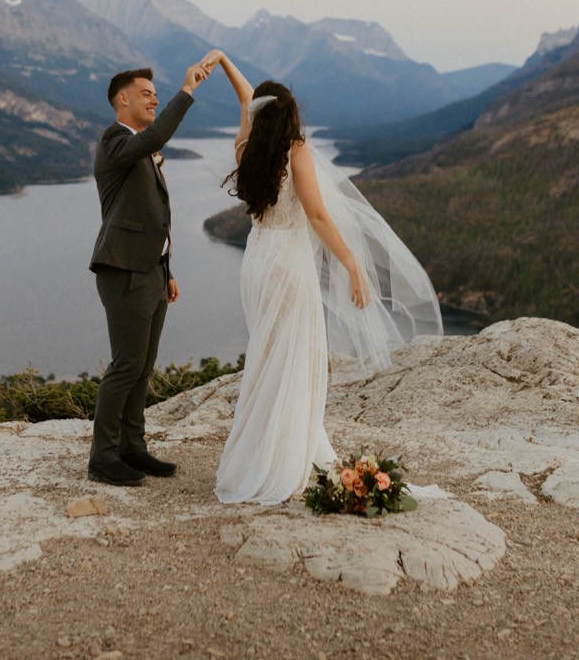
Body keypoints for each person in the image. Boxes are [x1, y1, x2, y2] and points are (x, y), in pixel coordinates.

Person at [205, 51, 443, 505]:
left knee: (266, 352)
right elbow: (315, 213)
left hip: (258, 258)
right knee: (296, 356)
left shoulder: (247, 147)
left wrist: (223, 62)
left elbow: (246, 102)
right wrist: (352, 263)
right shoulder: (296, 152)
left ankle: (261, 452)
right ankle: (285, 459)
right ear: (290, 114)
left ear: (258, 115)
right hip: (289, 264)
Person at [87, 58, 214, 486]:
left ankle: (132, 448)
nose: (155, 99)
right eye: (147, 93)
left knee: (143, 367)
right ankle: (102, 458)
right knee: (125, 365)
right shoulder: (114, 141)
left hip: (151, 272)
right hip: (122, 271)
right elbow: (158, 135)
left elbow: (151, 216)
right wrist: (187, 90)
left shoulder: (139, 147)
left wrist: (166, 268)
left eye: (157, 94)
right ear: (122, 100)